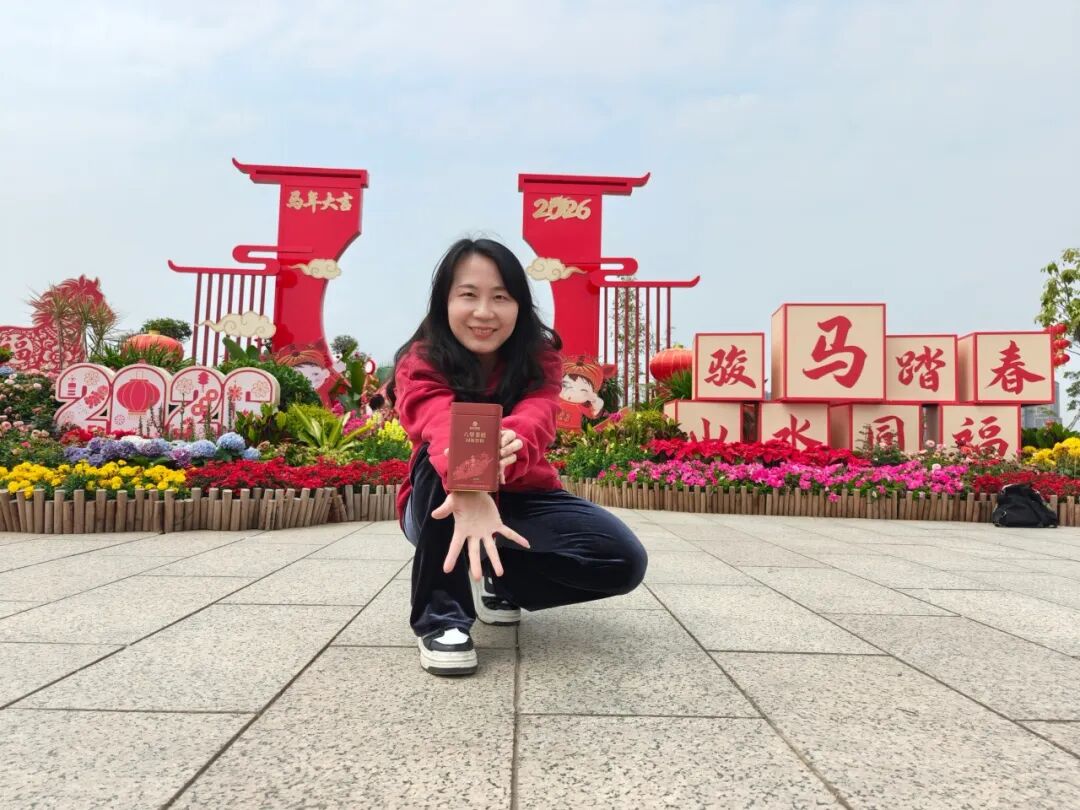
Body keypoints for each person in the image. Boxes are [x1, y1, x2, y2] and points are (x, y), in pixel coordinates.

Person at [389, 238, 648, 676]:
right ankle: (442, 617)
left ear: (519, 305)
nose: (484, 312)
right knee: (441, 453)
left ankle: (498, 581)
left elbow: (538, 416)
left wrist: (505, 445)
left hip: (523, 490)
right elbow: (435, 419)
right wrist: (471, 480)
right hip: (440, 503)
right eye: (468, 295)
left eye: (500, 297)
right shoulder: (422, 360)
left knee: (622, 562)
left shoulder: (539, 358)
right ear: (444, 301)